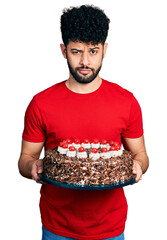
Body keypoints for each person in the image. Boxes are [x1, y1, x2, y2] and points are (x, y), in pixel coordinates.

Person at [18, 5, 149, 240]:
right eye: (76, 51)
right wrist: (33, 167)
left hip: (110, 227)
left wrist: (138, 166)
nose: (85, 61)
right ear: (63, 50)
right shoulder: (41, 103)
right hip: (57, 226)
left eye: (94, 51)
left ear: (105, 50)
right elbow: (25, 159)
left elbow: (141, 154)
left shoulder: (126, 102)